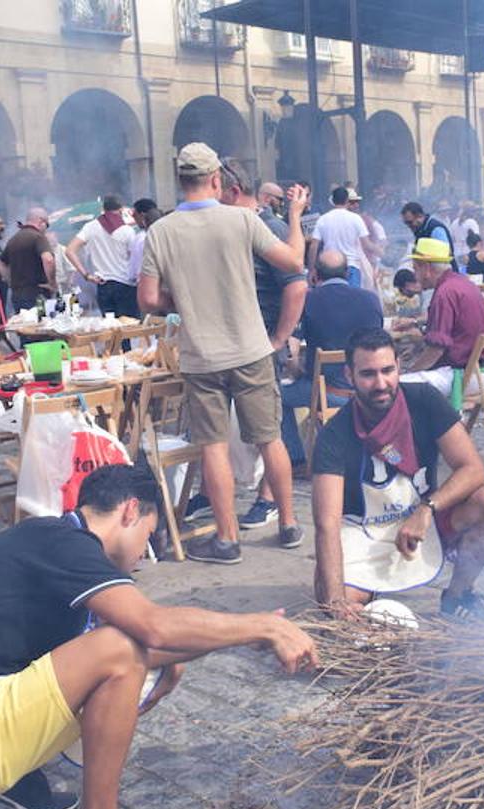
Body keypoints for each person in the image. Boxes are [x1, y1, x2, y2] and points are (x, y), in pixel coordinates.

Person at [0, 463, 319, 809]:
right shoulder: (66, 545)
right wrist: (264, 626)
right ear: (130, 511)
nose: (144, 552)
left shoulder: (55, 538)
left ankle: (17, 778)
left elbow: (147, 644)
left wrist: (234, 640)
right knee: (119, 650)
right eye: (149, 537)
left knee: (121, 647)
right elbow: (148, 630)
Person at [137, 142, 308, 565]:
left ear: (180, 181)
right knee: (270, 439)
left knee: (213, 446)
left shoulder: (161, 230)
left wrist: (183, 301)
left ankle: (227, 540)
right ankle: (287, 525)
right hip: (250, 350)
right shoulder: (241, 220)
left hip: (201, 357)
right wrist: (296, 218)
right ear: (217, 179)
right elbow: (293, 262)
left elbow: (147, 298)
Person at [311, 328, 484, 623]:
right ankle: (365, 595)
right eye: (368, 374)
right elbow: (326, 523)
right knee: (332, 600)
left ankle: (458, 595)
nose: (381, 383)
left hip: (420, 522)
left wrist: (427, 508)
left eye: (387, 370)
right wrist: (335, 604)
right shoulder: (334, 435)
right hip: (365, 534)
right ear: (349, 375)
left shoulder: (424, 401)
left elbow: (473, 468)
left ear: (399, 367)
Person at [218, 158, 309, 528]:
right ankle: (213, 494)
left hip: (258, 345)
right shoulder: (232, 226)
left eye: (214, 191)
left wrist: (279, 338)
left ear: (232, 191)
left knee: (265, 430)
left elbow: (297, 285)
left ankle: (269, 500)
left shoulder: (266, 226)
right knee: (227, 430)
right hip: (232, 343)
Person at [281, 250, 383, 467]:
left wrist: (297, 369)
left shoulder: (307, 299)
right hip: (369, 390)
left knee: (276, 397)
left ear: (315, 274)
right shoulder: (371, 299)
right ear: (347, 273)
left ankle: (296, 458)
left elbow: (292, 350)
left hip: (327, 392)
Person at [393, 238, 484, 399]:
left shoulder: (444, 293)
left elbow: (435, 350)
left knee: (393, 386)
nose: (416, 275)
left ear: (426, 268)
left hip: (464, 376)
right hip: (481, 371)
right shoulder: (460, 282)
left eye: (415, 269)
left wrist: (410, 371)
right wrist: (415, 322)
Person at [66, 195, 138, 319]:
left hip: (103, 285)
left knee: (110, 330)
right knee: (129, 328)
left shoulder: (90, 227)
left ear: (103, 209)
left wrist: (86, 275)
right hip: (125, 285)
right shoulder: (128, 230)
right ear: (120, 210)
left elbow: (69, 250)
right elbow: (133, 258)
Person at [309, 187, 372, 288]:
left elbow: (313, 246)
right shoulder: (356, 219)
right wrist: (380, 251)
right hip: (351, 266)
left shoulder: (323, 219)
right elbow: (367, 244)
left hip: (328, 267)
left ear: (333, 201)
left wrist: (311, 269)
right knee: (352, 299)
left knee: (330, 300)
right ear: (347, 200)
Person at [3, 207, 57, 312]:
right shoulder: (38, 237)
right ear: (41, 222)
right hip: (38, 295)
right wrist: (52, 283)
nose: (46, 229)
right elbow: (48, 259)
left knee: (24, 326)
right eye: (47, 225)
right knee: (40, 326)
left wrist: (9, 280)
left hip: (17, 295)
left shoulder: (13, 239)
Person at [400, 202, 457, 272]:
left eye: (410, 222)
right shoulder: (420, 230)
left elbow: (446, 254)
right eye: (406, 223)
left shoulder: (435, 229)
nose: (408, 226)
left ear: (420, 216)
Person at [126, 198, 162, 286]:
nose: (134, 219)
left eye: (134, 215)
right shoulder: (167, 234)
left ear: (142, 216)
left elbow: (133, 272)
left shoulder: (140, 239)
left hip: (146, 285)